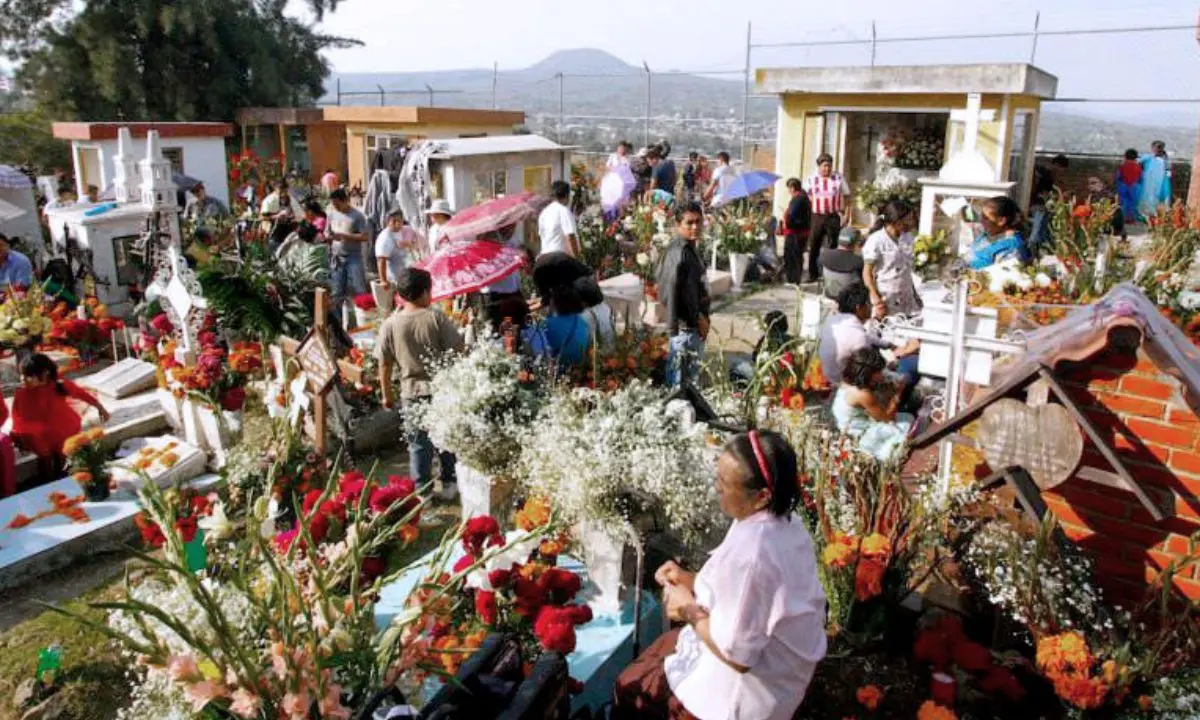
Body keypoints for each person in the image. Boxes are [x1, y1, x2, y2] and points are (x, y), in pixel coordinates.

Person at [613, 430, 826, 720]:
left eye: (724, 484)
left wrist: (687, 608)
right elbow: (743, 595)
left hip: (743, 697)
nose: (717, 488)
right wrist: (690, 580)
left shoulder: (754, 555)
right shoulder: (783, 522)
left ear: (762, 495)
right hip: (781, 673)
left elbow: (739, 657)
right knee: (660, 653)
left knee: (629, 687)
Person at [376, 268, 464, 500]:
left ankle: (422, 492)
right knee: (446, 438)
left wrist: (386, 394)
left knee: (418, 445)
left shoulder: (390, 324)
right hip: (440, 389)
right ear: (425, 292)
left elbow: (384, 364)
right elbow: (457, 348)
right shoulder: (435, 317)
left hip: (410, 392)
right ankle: (448, 483)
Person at [12, 353, 111, 483]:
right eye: (22, 375)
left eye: (29, 376)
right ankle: (47, 481)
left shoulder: (60, 386)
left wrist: (100, 407)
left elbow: (81, 394)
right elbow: (17, 416)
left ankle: (62, 477)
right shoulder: (22, 393)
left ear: (45, 373)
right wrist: (19, 437)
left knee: (62, 455)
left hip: (61, 429)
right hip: (38, 435)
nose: (23, 379)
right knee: (45, 459)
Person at [819, 283, 919, 388]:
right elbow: (874, 368)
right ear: (859, 308)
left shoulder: (833, 318)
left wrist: (889, 345)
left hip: (831, 375)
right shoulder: (859, 339)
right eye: (868, 304)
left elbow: (866, 336)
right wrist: (894, 362)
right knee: (909, 367)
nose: (871, 307)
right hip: (845, 384)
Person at [657, 202, 710, 387]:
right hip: (685, 329)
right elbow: (670, 291)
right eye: (689, 223)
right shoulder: (678, 252)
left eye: (698, 221)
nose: (695, 227)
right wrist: (697, 319)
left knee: (689, 387)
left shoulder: (688, 248)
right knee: (680, 387)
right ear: (679, 225)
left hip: (691, 327)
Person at [832, 347, 915, 463]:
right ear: (867, 373)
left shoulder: (847, 382)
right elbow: (887, 417)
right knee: (906, 425)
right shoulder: (861, 394)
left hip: (849, 427)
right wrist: (898, 393)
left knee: (907, 418)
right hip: (859, 435)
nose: (881, 375)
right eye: (878, 372)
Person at [862, 199, 920, 318]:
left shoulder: (908, 237)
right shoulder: (876, 240)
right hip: (886, 297)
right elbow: (867, 273)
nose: (911, 223)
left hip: (907, 295)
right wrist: (875, 298)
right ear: (896, 221)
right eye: (907, 220)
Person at [326, 188, 370, 327]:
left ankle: (364, 323)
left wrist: (345, 236)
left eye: (338, 204)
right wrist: (329, 236)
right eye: (334, 205)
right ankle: (339, 326)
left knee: (359, 289)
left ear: (346, 201)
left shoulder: (357, 216)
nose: (336, 207)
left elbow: (365, 236)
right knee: (337, 292)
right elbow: (327, 231)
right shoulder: (332, 214)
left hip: (353, 257)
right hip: (337, 257)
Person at [804, 153, 851, 266]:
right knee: (814, 244)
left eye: (829, 165)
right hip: (817, 216)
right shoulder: (812, 179)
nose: (827, 168)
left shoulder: (838, 178)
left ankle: (831, 270)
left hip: (832, 216)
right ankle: (813, 273)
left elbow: (847, 196)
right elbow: (806, 196)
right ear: (819, 166)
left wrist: (846, 215)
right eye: (825, 165)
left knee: (833, 244)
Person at [965, 196, 1030, 270]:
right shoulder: (988, 234)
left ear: (1001, 221)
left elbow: (1001, 277)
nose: (981, 221)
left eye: (986, 218)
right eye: (982, 216)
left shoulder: (1014, 249)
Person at [1028, 154, 1069, 256]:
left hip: (1033, 204)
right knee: (1037, 233)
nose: (1061, 172)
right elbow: (1045, 195)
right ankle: (1033, 253)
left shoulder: (1040, 170)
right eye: (1061, 169)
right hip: (1039, 206)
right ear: (1056, 165)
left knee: (1040, 231)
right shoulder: (1047, 175)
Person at [375, 208, 421, 287]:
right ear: (388, 222)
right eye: (394, 221)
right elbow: (381, 260)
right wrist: (383, 281)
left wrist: (410, 244)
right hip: (394, 278)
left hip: (407, 273)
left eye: (400, 221)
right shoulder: (385, 237)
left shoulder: (405, 230)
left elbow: (416, 245)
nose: (397, 224)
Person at [780, 177, 812, 284]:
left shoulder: (798, 199)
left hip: (795, 233)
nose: (789, 191)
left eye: (789, 189)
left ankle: (792, 279)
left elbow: (792, 216)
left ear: (792, 188)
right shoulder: (804, 197)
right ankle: (795, 279)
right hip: (801, 232)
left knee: (792, 256)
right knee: (797, 256)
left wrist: (786, 214)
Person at [820, 228, 864, 301]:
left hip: (829, 296)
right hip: (850, 301)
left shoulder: (824, 255)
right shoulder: (859, 262)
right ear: (856, 243)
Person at [537, 181, 579, 257]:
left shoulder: (544, 213)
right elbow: (570, 236)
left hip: (544, 257)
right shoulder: (564, 211)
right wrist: (577, 259)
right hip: (559, 257)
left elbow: (541, 237)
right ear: (567, 195)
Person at [1138, 141, 1172, 220]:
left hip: (1161, 183)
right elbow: (1137, 163)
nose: (1159, 150)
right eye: (1158, 147)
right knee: (1147, 198)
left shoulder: (1164, 159)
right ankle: (1146, 215)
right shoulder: (1148, 157)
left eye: (1161, 148)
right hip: (1149, 182)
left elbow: (1168, 170)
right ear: (1152, 148)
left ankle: (1157, 216)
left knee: (1159, 199)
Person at [1085, 177, 1126, 241]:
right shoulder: (1091, 195)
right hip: (1098, 218)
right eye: (1089, 183)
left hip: (1109, 217)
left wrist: (1108, 212)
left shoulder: (1108, 193)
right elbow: (1089, 208)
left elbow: (1117, 204)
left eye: (1093, 183)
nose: (1090, 185)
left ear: (1101, 184)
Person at [1115, 149, 1142, 225]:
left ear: (1125, 156)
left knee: (1123, 203)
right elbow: (1140, 178)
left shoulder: (1122, 165)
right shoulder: (1138, 166)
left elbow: (1118, 176)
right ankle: (1131, 219)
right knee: (1132, 203)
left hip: (1123, 185)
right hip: (1133, 186)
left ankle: (1122, 218)